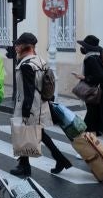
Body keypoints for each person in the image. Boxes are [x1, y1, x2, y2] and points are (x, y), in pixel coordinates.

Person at [9, 32, 72, 176]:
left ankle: (25, 167)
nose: (16, 47)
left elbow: (29, 90)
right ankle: (57, 159)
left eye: (18, 45)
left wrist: (25, 110)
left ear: (25, 46)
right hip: (39, 104)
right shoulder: (39, 60)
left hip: (30, 105)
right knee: (37, 134)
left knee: (25, 133)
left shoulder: (27, 65)